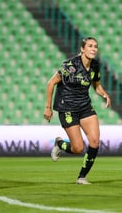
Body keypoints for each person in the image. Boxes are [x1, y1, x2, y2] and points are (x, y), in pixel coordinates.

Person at [44, 37, 111, 185]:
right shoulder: (70, 65)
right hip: (67, 107)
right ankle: (59, 144)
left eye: (95, 46)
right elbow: (51, 83)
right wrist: (48, 108)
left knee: (94, 141)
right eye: (90, 46)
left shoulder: (95, 66)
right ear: (82, 49)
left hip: (85, 106)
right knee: (78, 148)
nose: (94, 49)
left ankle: (82, 177)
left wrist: (104, 93)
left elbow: (96, 85)